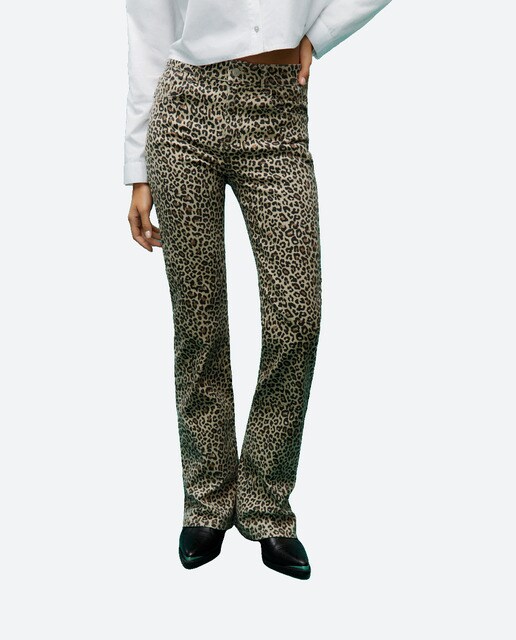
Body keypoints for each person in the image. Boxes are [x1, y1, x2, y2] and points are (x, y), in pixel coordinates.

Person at [124, 0, 392, 580]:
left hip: (276, 112)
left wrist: (319, 34)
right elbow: (149, 29)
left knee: (298, 317)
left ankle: (266, 501)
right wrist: (137, 168)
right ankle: (207, 501)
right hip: (184, 112)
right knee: (198, 324)